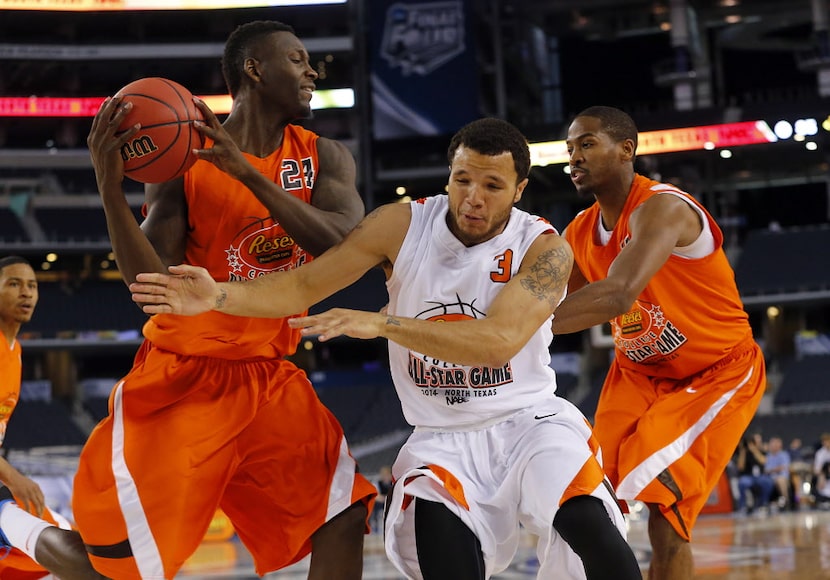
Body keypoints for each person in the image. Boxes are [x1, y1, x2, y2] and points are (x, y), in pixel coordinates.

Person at [129, 117, 643, 580]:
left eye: (492, 185)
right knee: (445, 555)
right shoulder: (401, 225)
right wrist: (217, 295)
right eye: (463, 179)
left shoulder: (544, 248)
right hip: (442, 440)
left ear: (519, 190)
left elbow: (496, 344)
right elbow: (304, 285)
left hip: (529, 425)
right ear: (448, 176)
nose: (474, 197)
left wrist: (383, 324)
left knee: (593, 532)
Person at [0, 20, 376, 580]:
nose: (312, 72)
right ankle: (13, 524)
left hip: (269, 377)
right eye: (297, 60)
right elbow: (149, 288)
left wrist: (245, 174)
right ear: (255, 69)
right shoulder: (182, 164)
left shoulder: (327, 158)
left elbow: (346, 249)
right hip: (184, 381)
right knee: (116, 570)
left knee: (343, 515)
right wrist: (109, 187)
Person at [550, 106, 766, 580]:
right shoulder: (579, 232)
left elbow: (616, 293)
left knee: (667, 521)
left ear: (627, 150)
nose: (574, 158)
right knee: (587, 493)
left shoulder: (664, 207)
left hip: (715, 372)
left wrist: (517, 330)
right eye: (570, 149)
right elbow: (540, 298)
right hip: (637, 373)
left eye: (586, 144)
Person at [0, 256, 76, 580]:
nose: (26, 293)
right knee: (65, 547)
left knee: (50, 552)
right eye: (13, 284)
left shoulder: (14, 351)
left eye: (32, 285)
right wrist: (13, 477)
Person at [735, 434, 773, 514]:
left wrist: (754, 450)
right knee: (742, 483)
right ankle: (743, 506)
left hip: (760, 476)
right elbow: (740, 467)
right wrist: (743, 451)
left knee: (767, 482)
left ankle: (762, 504)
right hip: (748, 476)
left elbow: (763, 461)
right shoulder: (744, 452)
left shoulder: (761, 451)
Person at [764, 436, 791, 509]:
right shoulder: (768, 456)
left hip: (783, 478)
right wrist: (777, 469)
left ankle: (786, 501)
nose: (774, 446)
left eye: (776, 444)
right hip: (771, 478)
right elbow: (766, 470)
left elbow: (784, 468)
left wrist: (773, 470)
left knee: (780, 480)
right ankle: (766, 503)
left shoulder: (784, 454)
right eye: (772, 445)